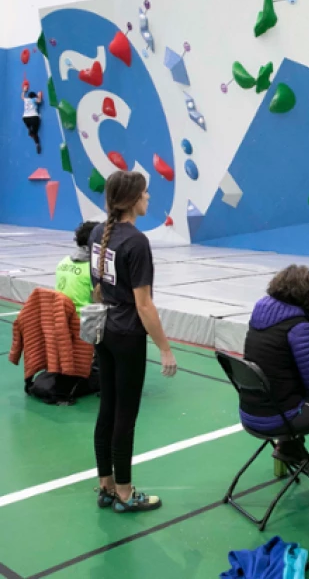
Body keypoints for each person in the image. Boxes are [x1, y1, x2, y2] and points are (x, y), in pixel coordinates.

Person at [89, 170, 178, 513]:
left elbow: (97, 286)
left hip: (101, 326)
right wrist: (165, 349)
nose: (149, 198)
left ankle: (106, 484)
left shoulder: (98, 232)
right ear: (132, 200)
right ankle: (125, 492)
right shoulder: (136, 242)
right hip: (126, 332)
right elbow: (144, 304)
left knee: (107, 408)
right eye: (145, 193)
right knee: (125, 414)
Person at [240, 265, 309, 482]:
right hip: (277, 418)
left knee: (286, 388)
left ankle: (288, 448)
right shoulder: (299, 325)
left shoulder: (260, 311)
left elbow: (279, 364)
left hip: (250, 412)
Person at [55, 221, 98, 314]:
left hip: (61, 317)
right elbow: (100, 301)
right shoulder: (93, 269)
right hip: (84, 321)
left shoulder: (63, 261)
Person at [22, 89, 42, 154]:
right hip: (34, 117)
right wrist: (39, 96)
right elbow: (39, 101)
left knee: (30, 127)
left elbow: (22, 97)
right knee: (35, 132)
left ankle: (30, 130)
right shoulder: (33, 99)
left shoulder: (26, 100)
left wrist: (24, 91)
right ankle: (37, 144)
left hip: (25, 118)